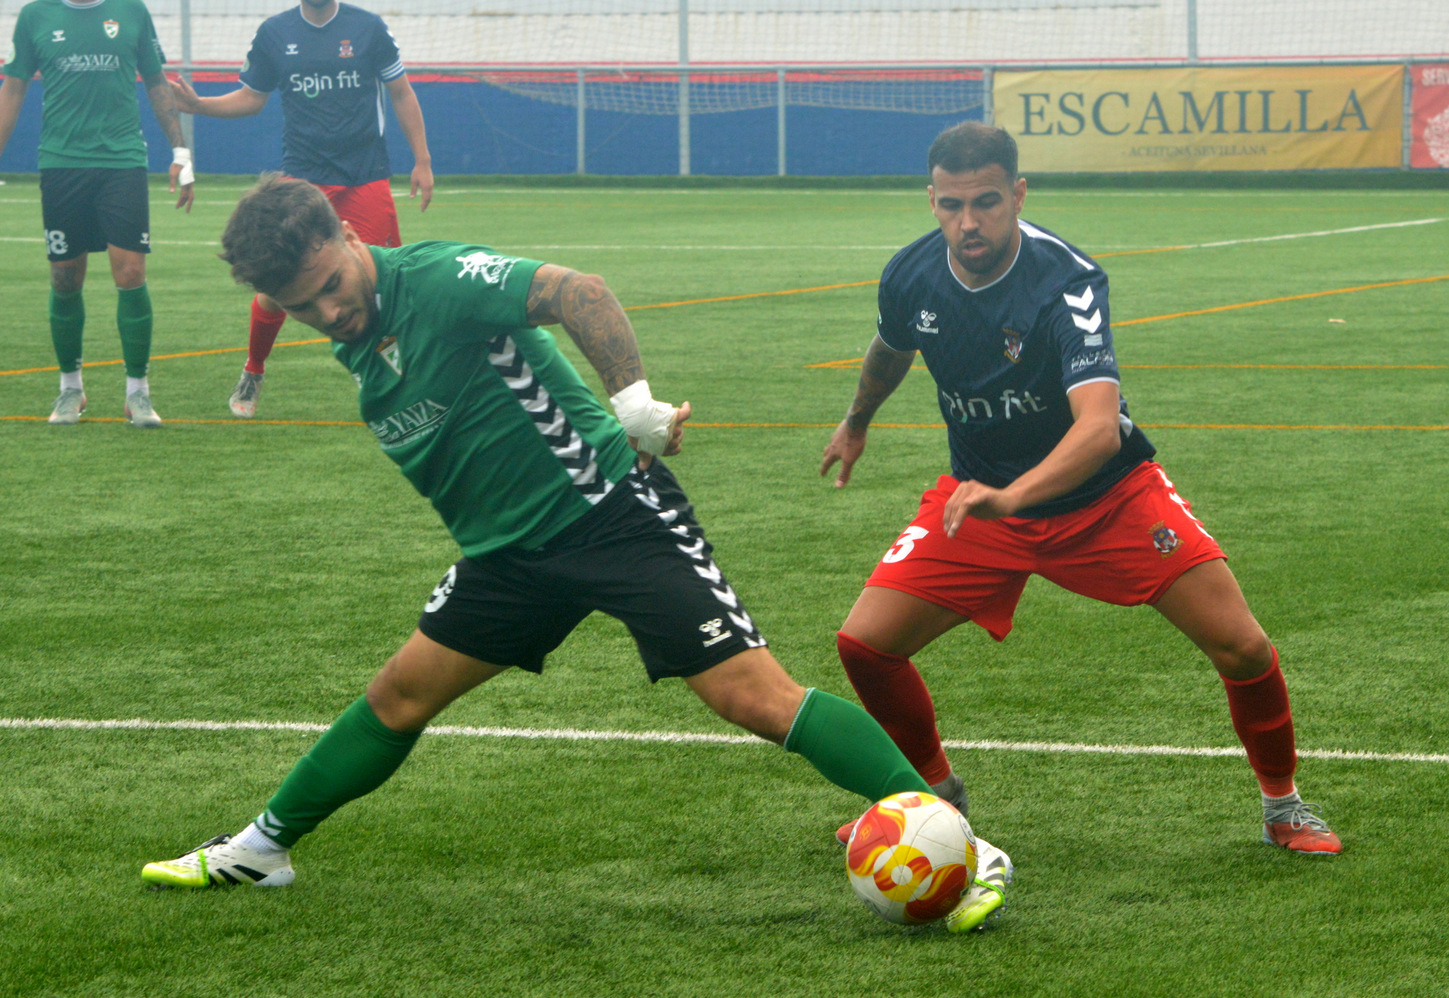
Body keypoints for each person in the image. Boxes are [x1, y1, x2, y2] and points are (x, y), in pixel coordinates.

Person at [140, 175, 1014, 933]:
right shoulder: (357, 330)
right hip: (508, 556)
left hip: (611, 515)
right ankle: (262, 850)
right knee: (398, 695)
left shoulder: (437, 279)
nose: (329, 312)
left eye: (331, 285)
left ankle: (961, 848)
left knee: (752, 697)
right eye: (303, 306)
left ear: (348, 234)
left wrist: (633, 408)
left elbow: (577, 291)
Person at [819, 121, 1342, 856]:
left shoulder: (1066, 281)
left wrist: (1014, 496)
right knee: (866, 644)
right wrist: (857, 420)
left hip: (1106, 501)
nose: (968, 223)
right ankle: (934, 797)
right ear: (931, 200)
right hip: (981, 503)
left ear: (1018, 195)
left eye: (986, 202)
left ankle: (1284, 807)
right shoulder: (910, 274)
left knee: (1243, 648)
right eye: (951, 205)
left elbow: (1098, 429)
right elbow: (892, 345)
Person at [167, 0, 434, 420]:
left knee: (381, 282)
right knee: (278, 281)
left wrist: (422, 160)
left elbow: (401, 92)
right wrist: (199, 105)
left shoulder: (368, 27)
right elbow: (251, 98)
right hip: (305, 179)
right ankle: (254, 369)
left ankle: (395, 380)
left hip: (365, 176)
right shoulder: (275, 33)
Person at [0, 0, 195, 428]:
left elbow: (157, 82)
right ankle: (71, 388)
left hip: (122, 161)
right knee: (65, 279)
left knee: (131, 273)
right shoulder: (35, 15)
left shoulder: (131, 11)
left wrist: (180, 150)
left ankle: (138, 393)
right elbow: (13, 88)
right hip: (61, 162)